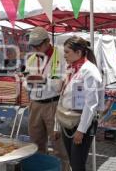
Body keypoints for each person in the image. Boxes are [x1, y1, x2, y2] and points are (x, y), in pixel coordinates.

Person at [54, 36, 104, 171]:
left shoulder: (89, 71)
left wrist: (81, 130)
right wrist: (56, 124)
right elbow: (62, 97)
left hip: (81, 122)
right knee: (73, 161)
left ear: (78, 53)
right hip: (67, 120)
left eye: (67, 52)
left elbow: (91, 104)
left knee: (77, 164)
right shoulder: (71, 68)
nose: (64, 55)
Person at [25, 27, 69, 170]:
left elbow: (60, 85)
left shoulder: (62, 55)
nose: (36, 48)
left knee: (59, 146)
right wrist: (27, 82)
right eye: (33, 45)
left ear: (47, 41)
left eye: (38, 45)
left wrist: (43, 80)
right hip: (35, 104)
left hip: (54, 104)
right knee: (35, 144)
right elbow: (26, 82)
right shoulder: (31, 59)